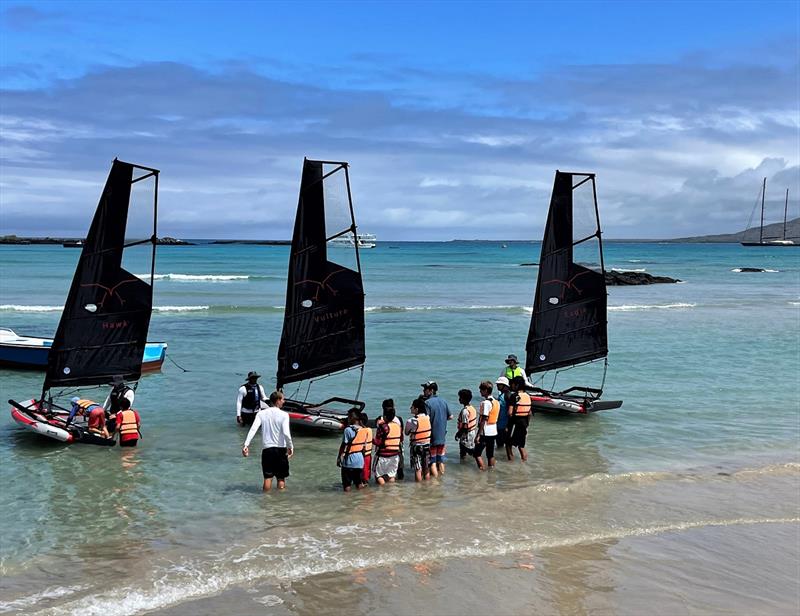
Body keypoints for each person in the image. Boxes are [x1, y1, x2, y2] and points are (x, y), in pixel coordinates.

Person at [242, 391, 294, 491]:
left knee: (267, 478)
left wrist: (246, 445)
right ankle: (281, 501)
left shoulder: (261, 413)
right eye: (283, 399)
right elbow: (286, 433)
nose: (284, 401)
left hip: (267, 450)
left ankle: (266, 500)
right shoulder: (284, 415)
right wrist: (290, 447)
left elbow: (253, 429)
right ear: (278, 400)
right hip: (280, 450)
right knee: (281, 478)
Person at [421, 381, 452, 476]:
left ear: (431, 390)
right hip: (442, 436)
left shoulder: (427, 403)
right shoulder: (443, 401)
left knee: (432, 462)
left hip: (432, 437)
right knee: (440, 460)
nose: (423, 391)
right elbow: (450, 417)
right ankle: (441, 477)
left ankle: (436, 483)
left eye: (425, 389)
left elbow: (426, 419)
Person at [337, 409, 370, 492]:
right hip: (359, 461)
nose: (347, 418)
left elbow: (343, 445)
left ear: (352, 418)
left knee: (347, 485)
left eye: (348, 416)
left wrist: (339, 457)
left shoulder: (348, 430)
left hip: (349, 461)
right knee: (358, 483)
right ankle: (360, 501)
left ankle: (347, 503)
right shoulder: (364, 430)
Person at [372, 400, 402, 485]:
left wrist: (371, 439)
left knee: (378, 475)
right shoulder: (398, 426)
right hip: (395, 455)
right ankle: (390, 492)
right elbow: (401, 438)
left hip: (383, 455)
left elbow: (378, 442)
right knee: (391, 475)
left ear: (384, 416)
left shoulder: (383, 427)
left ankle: (383, 492)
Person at [474, 381, 500, 469]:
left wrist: (478, 435)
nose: (480, 391)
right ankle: (491, 470)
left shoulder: (486, 403)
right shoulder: (496, 402)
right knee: (490, 454)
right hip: (494, 431)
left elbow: (484, 419)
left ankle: (482, 471)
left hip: (485, 432)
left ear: (485, 390)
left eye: (481, 389)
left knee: (476, 453)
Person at [405, 397, 433, 481]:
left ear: (416, 409)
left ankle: (419, 488)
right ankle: (427, 486)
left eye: (412, 407)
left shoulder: (412, 421)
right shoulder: (427, 417)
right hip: (427, 446)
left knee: (418, 469)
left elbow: (406, 433)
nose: (410, 408)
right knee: (427, 468)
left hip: (417, 447)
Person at [506, 376, 532, 462]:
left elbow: (510, 412)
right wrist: (527, 424)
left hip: (515, 423)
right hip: (524, 423)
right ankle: (524, 462)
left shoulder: (514, 396)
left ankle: (511, 462)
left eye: (513, 384)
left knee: (508, 444)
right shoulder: (528, 396)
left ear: (517, 385)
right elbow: (530, 413)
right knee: (521, 445)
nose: (511, 386)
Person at [455, 389, 478, 461]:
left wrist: (458, 434)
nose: (459, 399)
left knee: (464, 451)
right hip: (472, 433)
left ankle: (463, 465)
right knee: (471, 450)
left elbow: (465, 426)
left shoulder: (465, 411)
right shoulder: (472, 408)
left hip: (466, 435)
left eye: (460, 397)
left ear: (464, 399)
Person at [494, 376, 511, 448]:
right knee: (500, 445)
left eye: (499, 384)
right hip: (499, 424)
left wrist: (508, 426)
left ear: (504, 385)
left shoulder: (507, 395)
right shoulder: (501, 395)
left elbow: (510, 412)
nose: (497, 386)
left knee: (502, 445)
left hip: (504, 425)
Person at [359, 411, 374, 486]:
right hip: (369, 455)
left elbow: (363, 445)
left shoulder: (361, 431)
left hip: (363, 456)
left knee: (362, 476)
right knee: (366, 475)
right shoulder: (370, 430)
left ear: (360, 421)